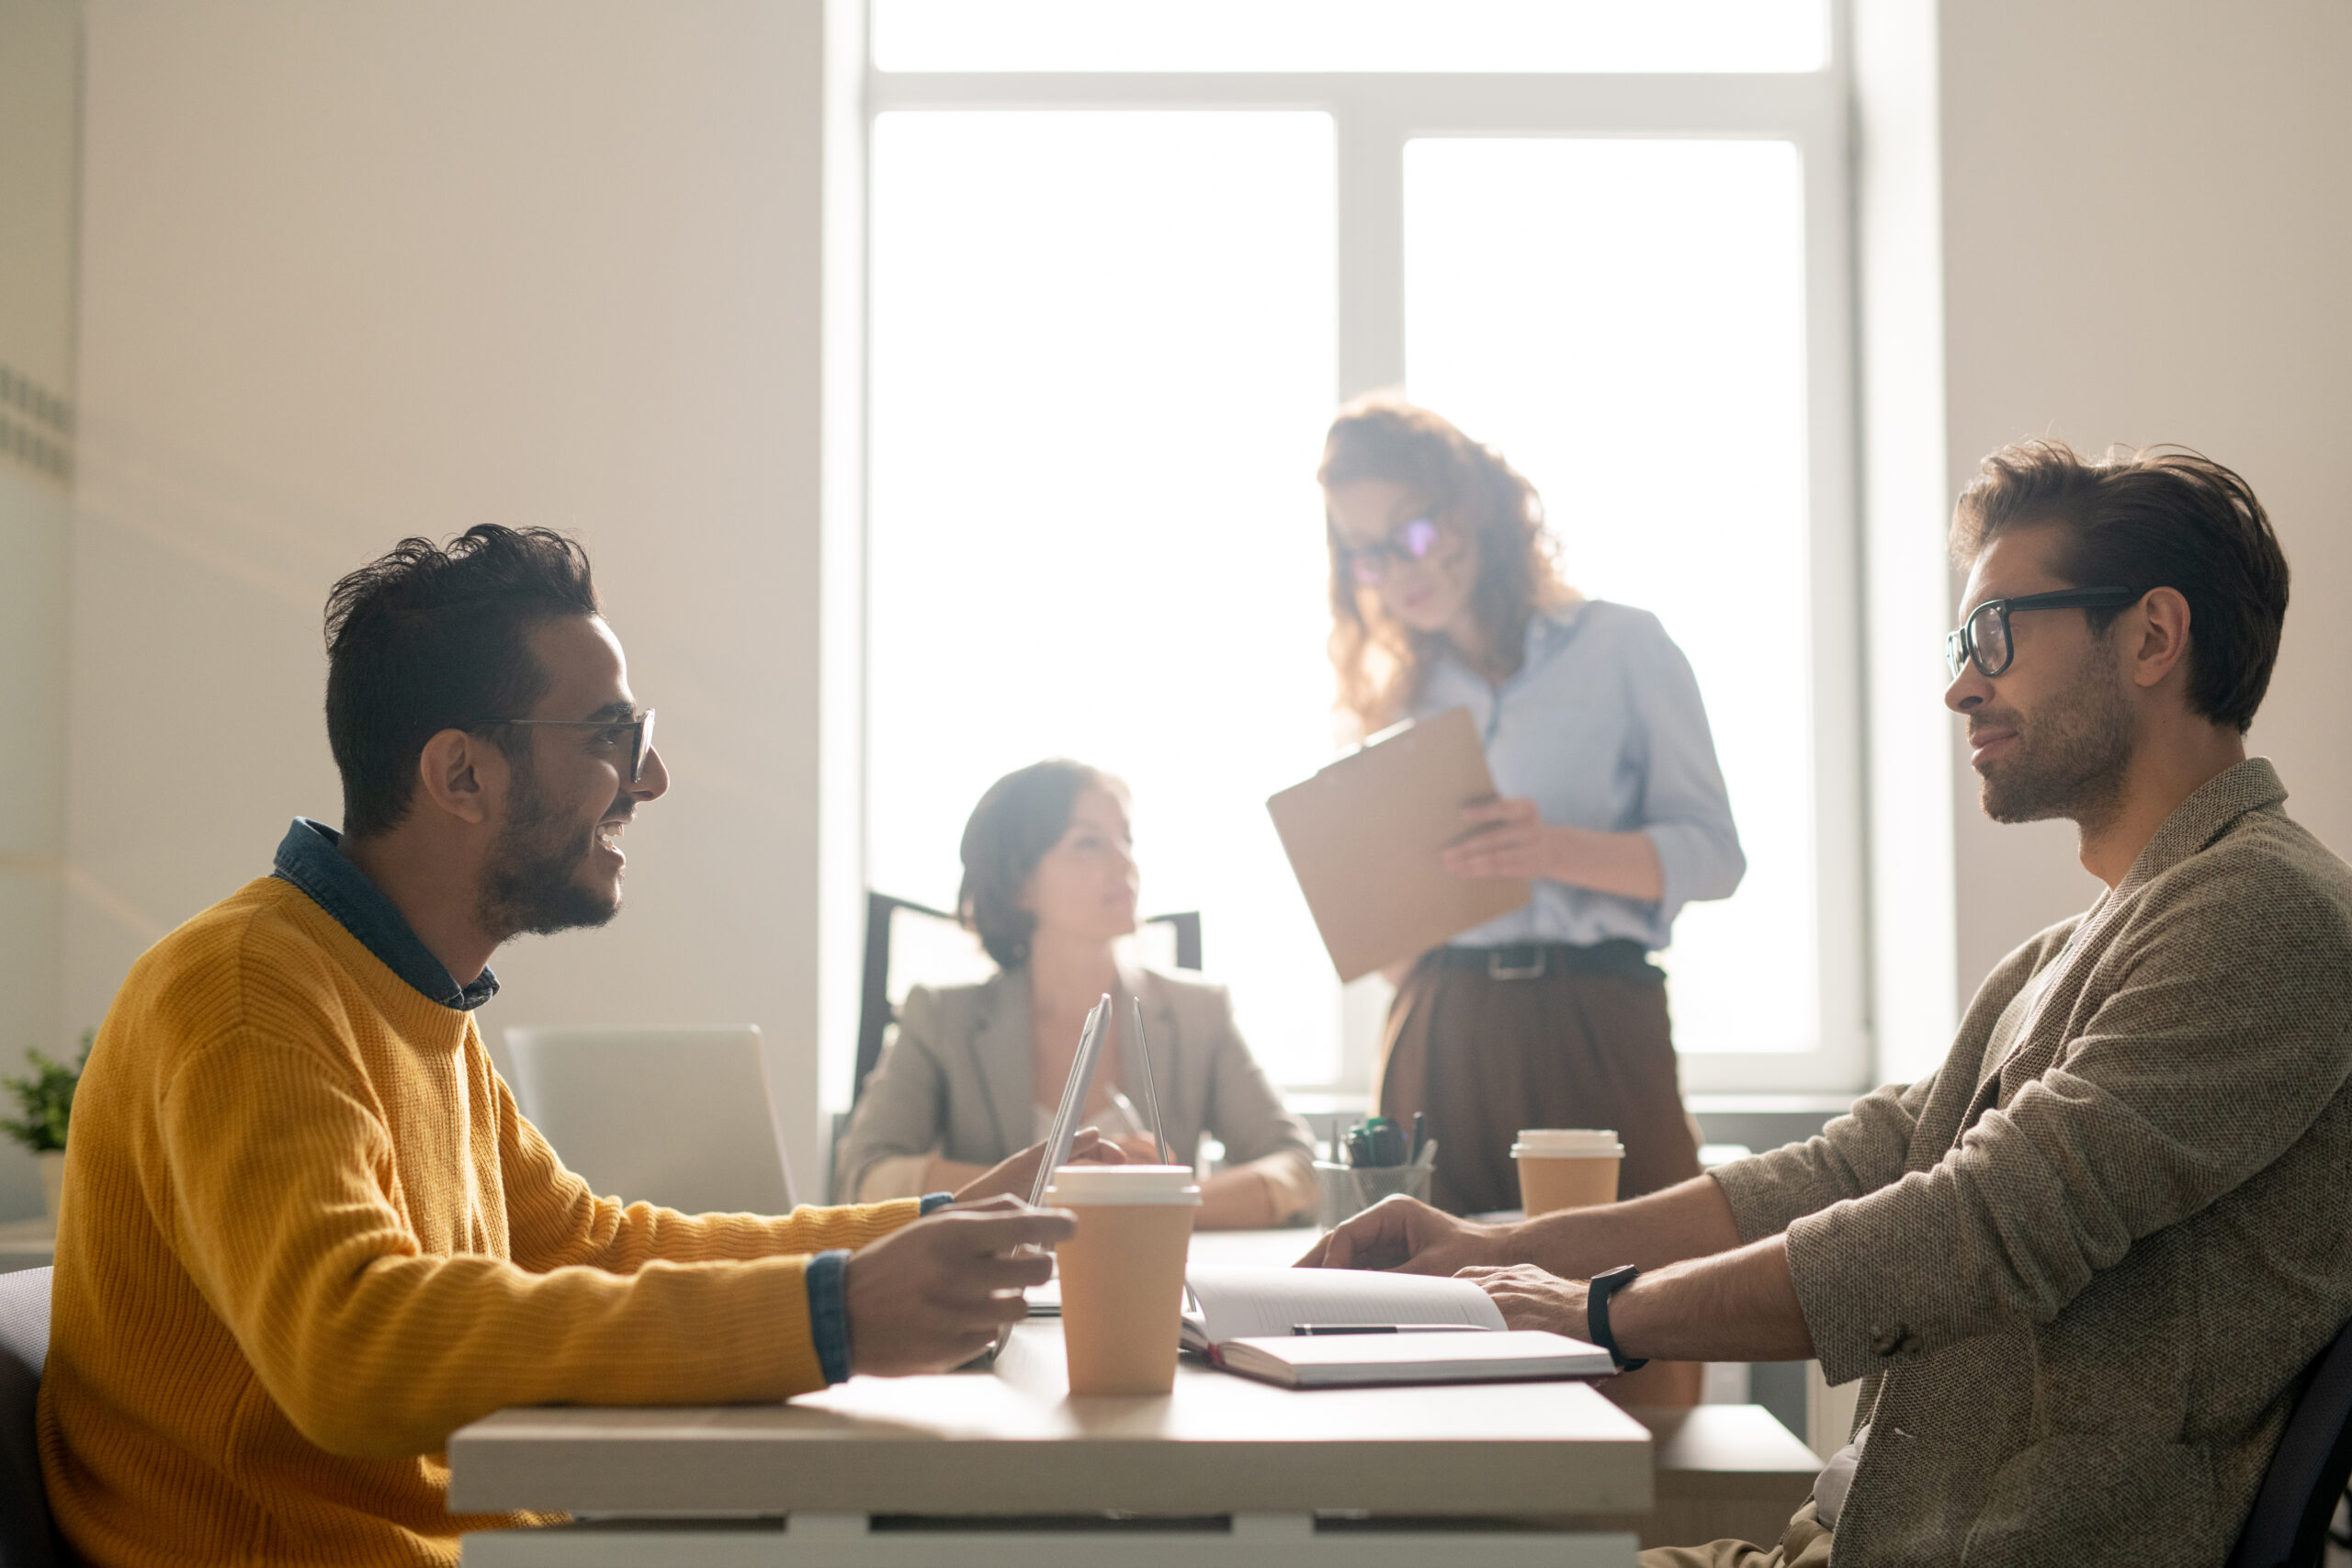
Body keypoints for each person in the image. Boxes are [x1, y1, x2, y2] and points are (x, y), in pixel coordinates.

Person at [1303, 440, 2352, 1568]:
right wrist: (1503, 1247)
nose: (1959, 683)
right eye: (1960, 644)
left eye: (1993, 632)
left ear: (2151, 636)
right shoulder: (2076, 944)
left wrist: (1596, 1312)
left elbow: (1975, 1226)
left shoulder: (2266, 911)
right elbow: (1864, 1162)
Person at [40, 527, 1105, 1567]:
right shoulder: (246, 993)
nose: (651, 779)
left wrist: (940, 1226)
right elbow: (351, 1342)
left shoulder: (410, 998)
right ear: (461, 777)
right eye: (608, 736)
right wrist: (833, 1315)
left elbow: (588, 1246)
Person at [836, 760, 1317, 1229]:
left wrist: (1160, 1203)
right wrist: (1063, 1188)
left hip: (1156, 1291)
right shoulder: (941, 1017)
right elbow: (865, 1174)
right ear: (1020, 883)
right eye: (1088, 843)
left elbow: (1297, 1169)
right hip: (1001, 1297)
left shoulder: (1201, 1011)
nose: (1126, 862)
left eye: (1125, 839)